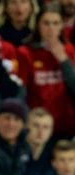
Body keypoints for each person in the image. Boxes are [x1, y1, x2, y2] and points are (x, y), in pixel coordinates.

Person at [17, 3, 75, 138]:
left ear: (62, 26)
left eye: (56, 23)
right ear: (37, 25)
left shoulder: (70, 51)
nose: (51, 28)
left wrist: (63, 60)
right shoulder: (25, 52)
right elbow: (21, 93)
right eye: (46, 23)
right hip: (37, 126)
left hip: (66, 125)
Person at [25, 108, 55, 175]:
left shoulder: (55, 156)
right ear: (26, 127)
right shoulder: (15, 152)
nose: (40, 131)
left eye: (46, 127)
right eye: (36, 126)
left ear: (51, 132)